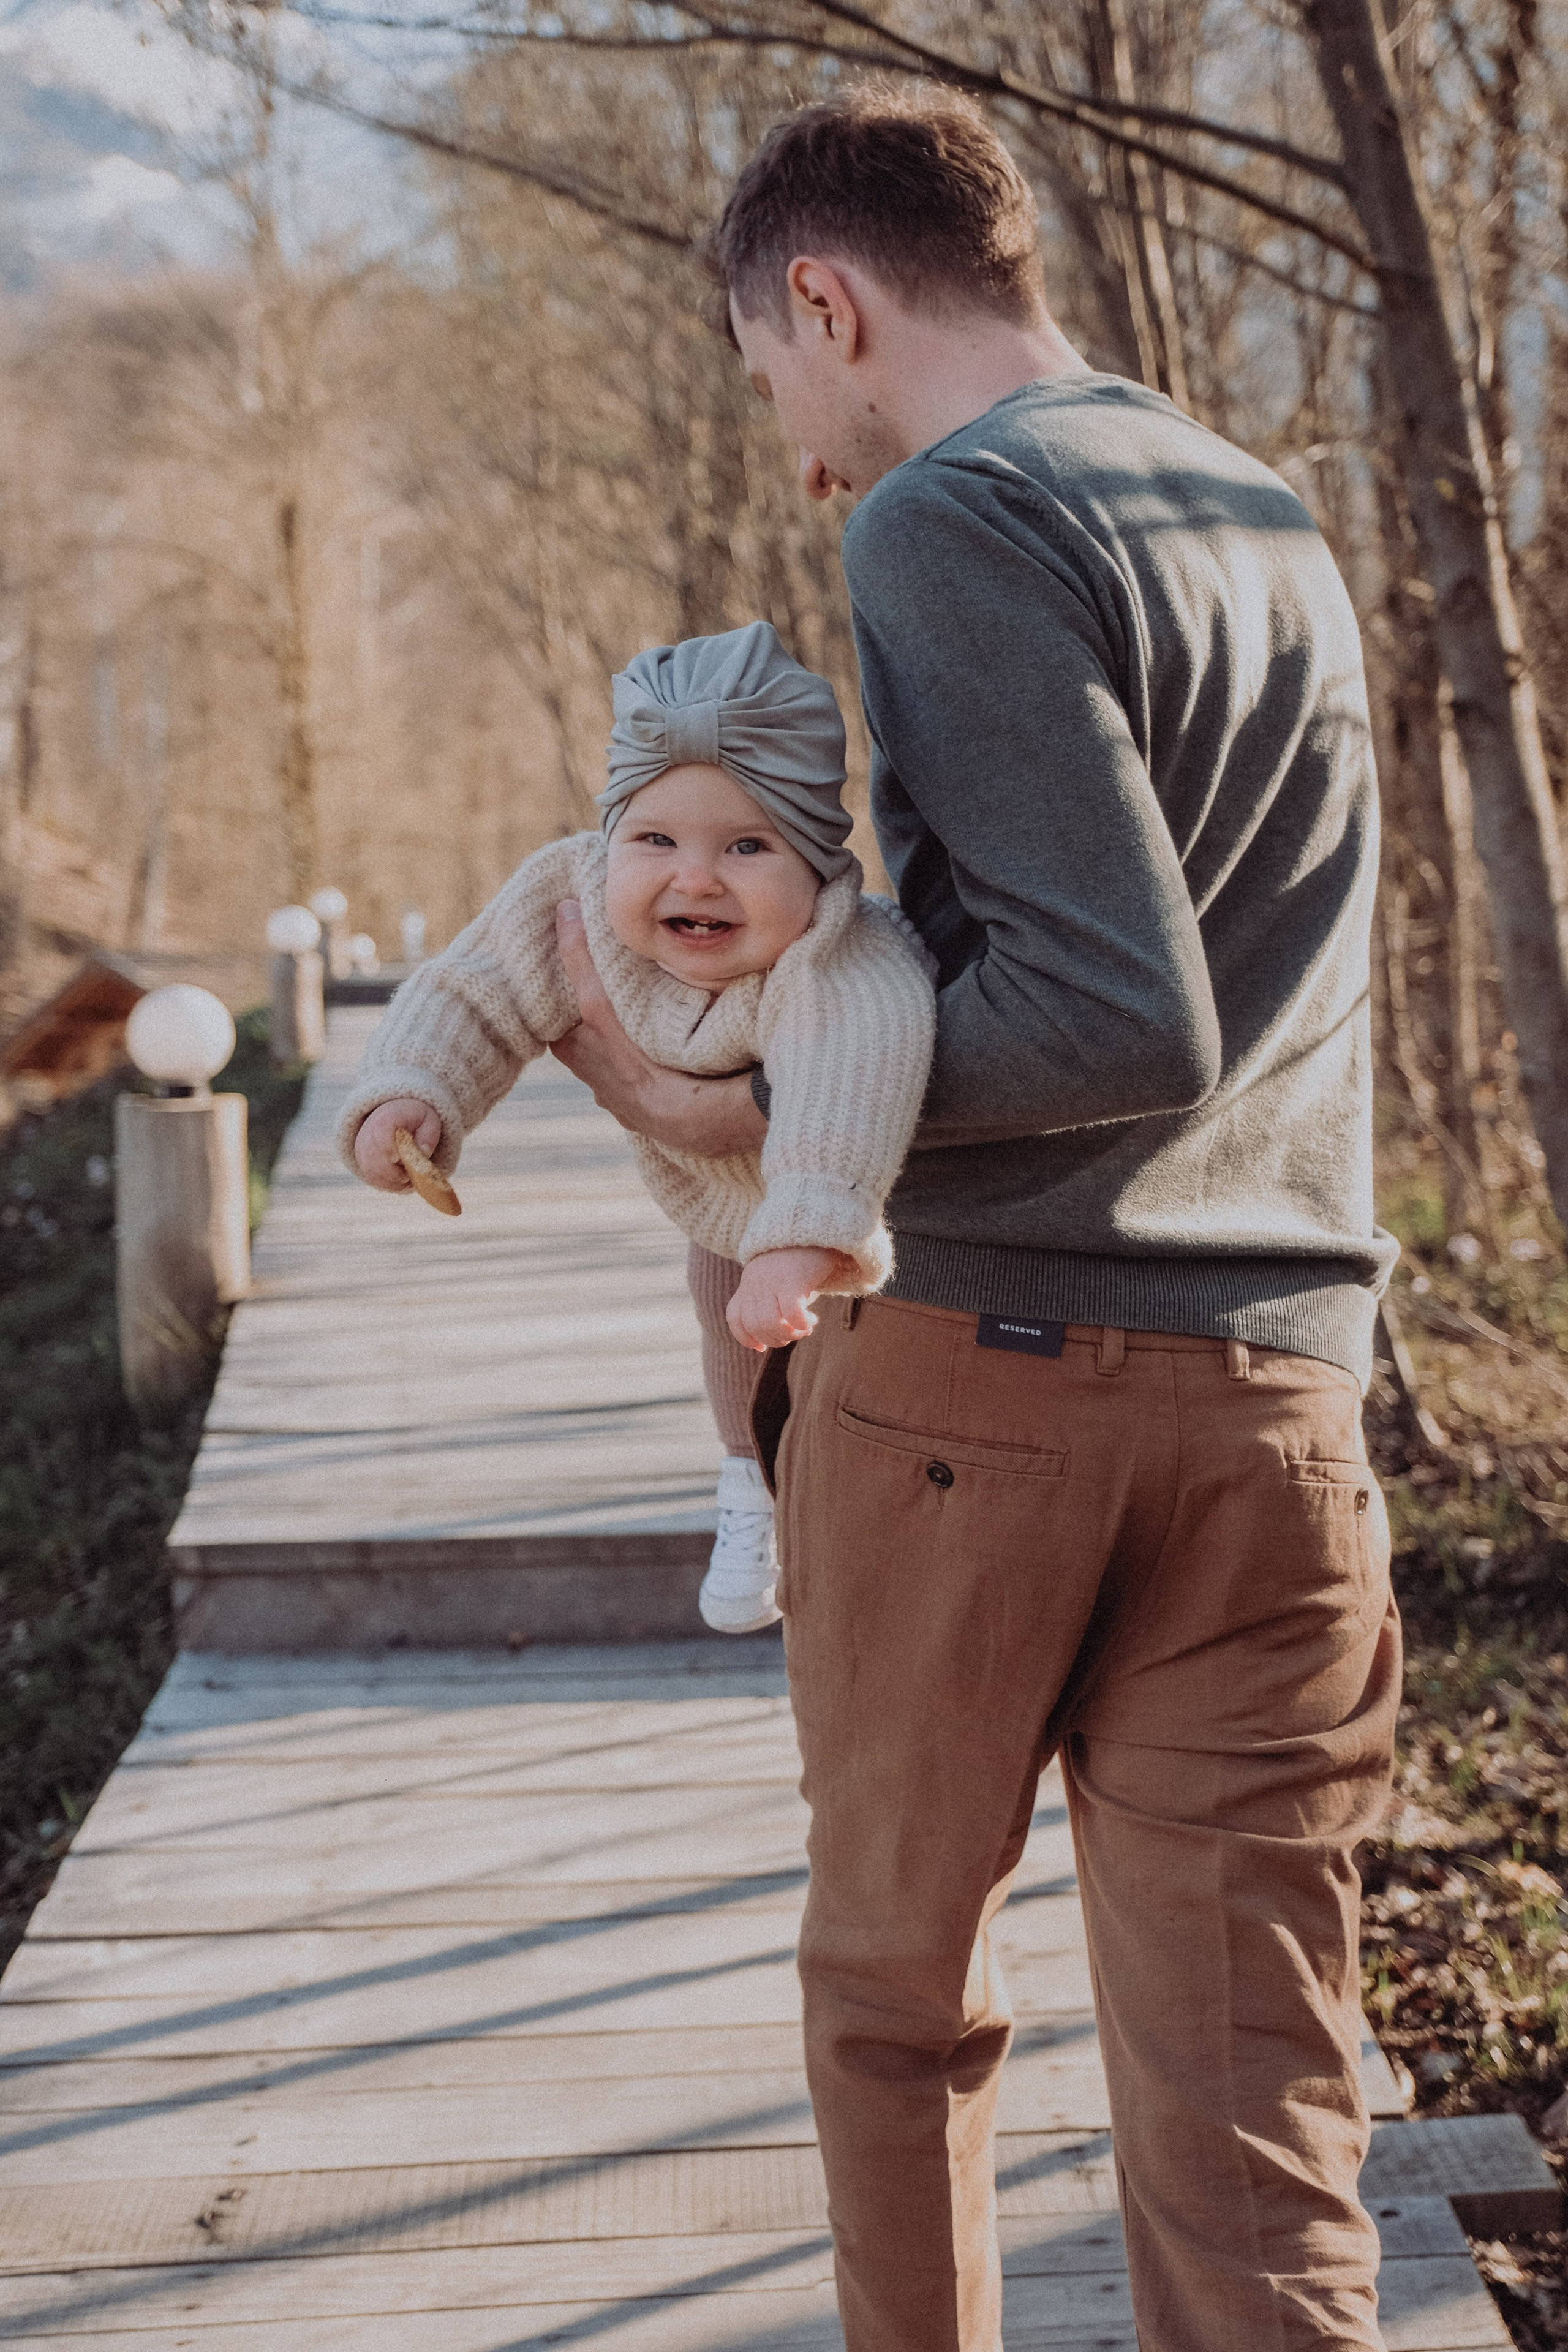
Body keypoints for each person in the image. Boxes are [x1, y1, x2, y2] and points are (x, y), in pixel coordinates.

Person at [545, 80, 1403, 2352]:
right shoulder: (1260, 507)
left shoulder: (955, 516)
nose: (810, 461)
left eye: (778, 385)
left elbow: (1125, 1015)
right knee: (1255, 2113)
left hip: (987, 1391)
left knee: (898, 2009)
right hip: (1285, 1416)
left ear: (826, 301)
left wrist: (728, 1121)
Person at [337, 619, 934, 1634]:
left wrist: (799, 1240)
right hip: (718, 1209)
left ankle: (862, 1520)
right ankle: (750, 1485)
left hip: (867, 1212)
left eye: (748, 846)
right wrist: (413, 1092)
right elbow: (475, 993)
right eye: (655, 841)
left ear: (821, 864)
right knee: (723, 1316)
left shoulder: (841, 954)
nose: (694, 879)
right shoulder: (565, 895)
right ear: (609, 838)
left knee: (863, 1380)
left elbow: (847, 1081)